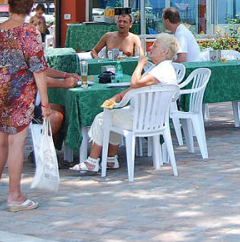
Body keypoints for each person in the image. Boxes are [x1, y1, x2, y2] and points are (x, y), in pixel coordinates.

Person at [0, 0, 76, 212]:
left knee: (1, 143)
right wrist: (44, 103)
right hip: (21, 95)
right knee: (16, 144)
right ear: (30, 8)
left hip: (1, 93)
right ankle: (15, 196)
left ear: (9, 6)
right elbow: (38, 70)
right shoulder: (30, 33)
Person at [71, 33, 179, 173]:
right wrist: (118, 96)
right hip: (151, 117)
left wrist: (139, 64)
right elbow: (136, 87)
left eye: (155, 45)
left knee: (102, 118)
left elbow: (135, 83)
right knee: (115, 114)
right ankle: (110, 159)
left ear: (165, 52)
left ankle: (92, 161)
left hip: (142, 119)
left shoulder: (161, 70)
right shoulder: (162, 67)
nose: (151, 47)